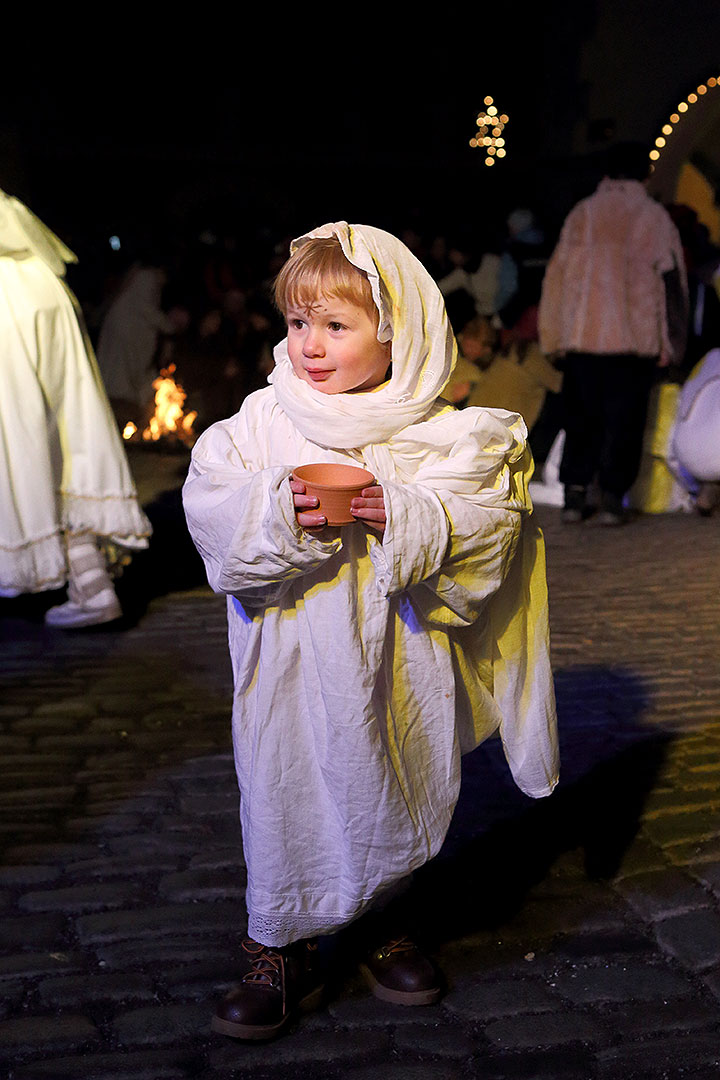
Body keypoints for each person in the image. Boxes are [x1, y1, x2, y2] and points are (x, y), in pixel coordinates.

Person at [182, 222, 558, 1041]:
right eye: (297, 323)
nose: (310, 346)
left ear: (399, 330)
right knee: (285, 780)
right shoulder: (261, 423)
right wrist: (279, 506)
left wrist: (409, 513)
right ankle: (277, 941)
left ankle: (386, 916)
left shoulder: (435, 434)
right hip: (284, 655)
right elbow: (211, 503)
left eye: (336, 325)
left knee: (391, 770)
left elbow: (489, 525)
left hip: (395, 657)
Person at [0, 189, 151, 626]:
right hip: (44, 311)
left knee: (24, 457)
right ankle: (92, 585)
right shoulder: (41, 276)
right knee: (66, 454)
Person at [538, 142, 688, 525]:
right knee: (625, 419)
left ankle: (574, 494)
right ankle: (611, 498)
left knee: (581, 416)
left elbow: (556, 278)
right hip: (634, 341)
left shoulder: (583, 214)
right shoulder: (653, 217)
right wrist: (672, 342)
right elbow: (671, 283)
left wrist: (553, 335)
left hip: (582, 336)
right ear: (645, 173)